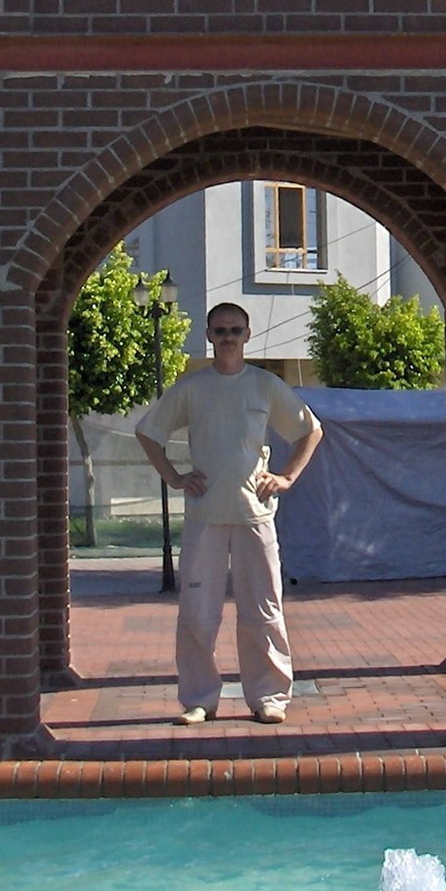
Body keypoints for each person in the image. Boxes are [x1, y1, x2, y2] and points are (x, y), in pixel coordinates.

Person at [137, 301, 322, 725]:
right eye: (220, 331)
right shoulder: (192, 388)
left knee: (264, 610)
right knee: (197, 613)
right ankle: (199, 699)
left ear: (247, 335)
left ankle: (269, 697)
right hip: (205, 515)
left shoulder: (264, 385)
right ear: (208, 335)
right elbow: (148, 432)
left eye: (235, 330)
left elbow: (310, 431)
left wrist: (287, 477)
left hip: (254, 514)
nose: (227, 338)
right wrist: (174, 477)